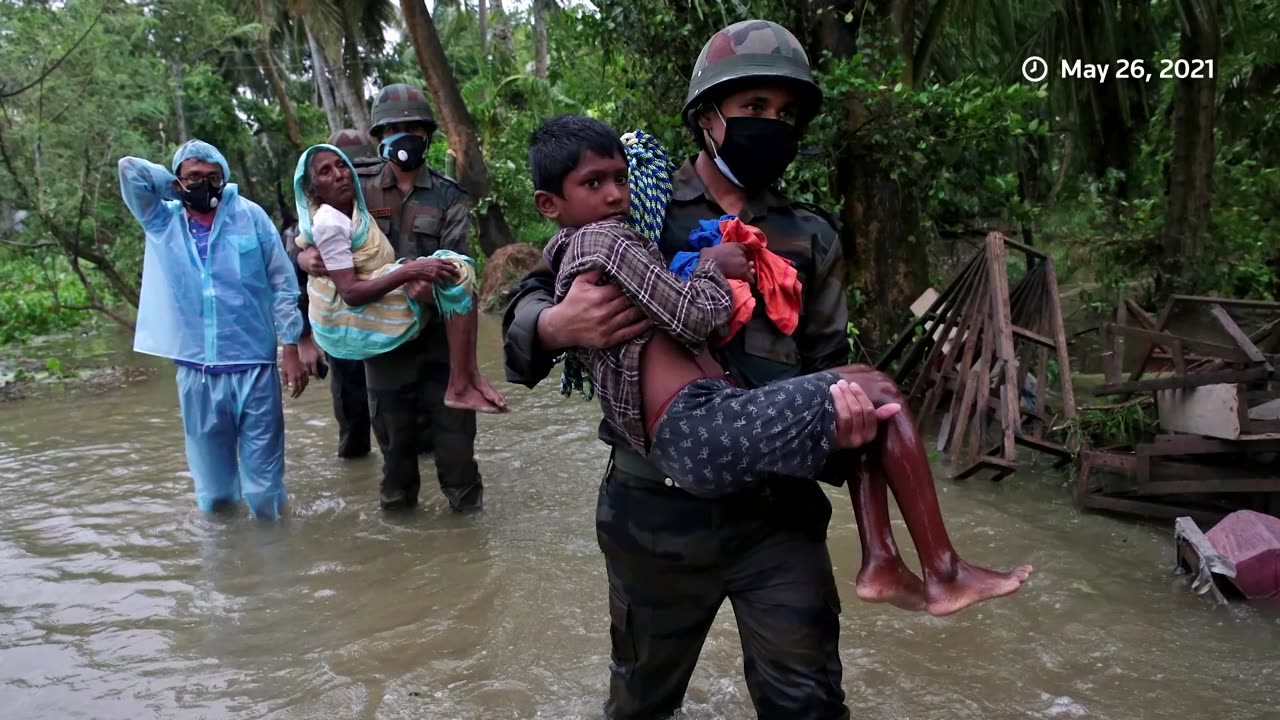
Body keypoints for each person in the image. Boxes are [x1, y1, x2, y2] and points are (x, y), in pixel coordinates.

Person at [505, 21, 1030, 719]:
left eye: (786, 114)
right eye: (754, 108)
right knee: (639, 704)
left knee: (806, 705)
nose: (772, 125)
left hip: (777, 520)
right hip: (653, 516)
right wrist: (553, 324)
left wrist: (846, 430)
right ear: (707, 117)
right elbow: (531, 300)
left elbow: (827, 366)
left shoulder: (809, 234)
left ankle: (903, 566)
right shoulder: (635, 201)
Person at [298, 85, 488, 511]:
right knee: (396, 459)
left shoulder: (449, 195)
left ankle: (470, 542)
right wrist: (305, 254)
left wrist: (432, 286)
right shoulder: (354, 186)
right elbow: (312, 227)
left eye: (414, 128)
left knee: (457, 452)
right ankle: (396, 548)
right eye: (395, 128)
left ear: (428, 135)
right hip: (382, 345)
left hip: (439, 339)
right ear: (380, 134)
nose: (405, 136)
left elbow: (461, 264)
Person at [119, 140, 307, 520]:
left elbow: (283, 283)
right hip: (196, 372)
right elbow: (129, 170)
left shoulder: (250, 217)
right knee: (215, 495)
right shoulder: (163, 220)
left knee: (264, 490)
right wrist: (174, 187)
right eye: (193, 177)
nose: (203, 183)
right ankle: (226, 569)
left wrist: (290, 347)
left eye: (211, 176)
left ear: (224, 179)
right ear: (178, 181)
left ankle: (276, 564)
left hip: (254, 367)